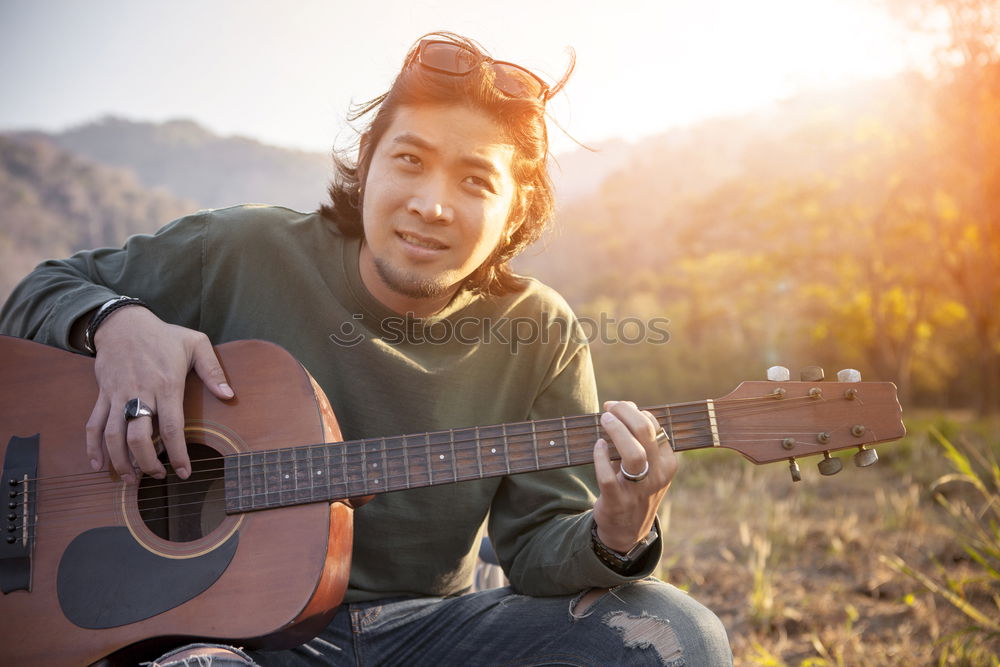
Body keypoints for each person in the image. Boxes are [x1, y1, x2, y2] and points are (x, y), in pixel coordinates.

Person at [0, 33, 732, 666]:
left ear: (517, 211)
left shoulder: (541, 329)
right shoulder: (244, 248)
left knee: (675, 635)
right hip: (230, 638)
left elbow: (539, 544)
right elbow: (40, 293)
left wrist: (615, 530)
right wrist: (118, 323)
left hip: (431, 633)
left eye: (475, 180)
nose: (431, 203)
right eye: (409, 159)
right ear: (369, 162)